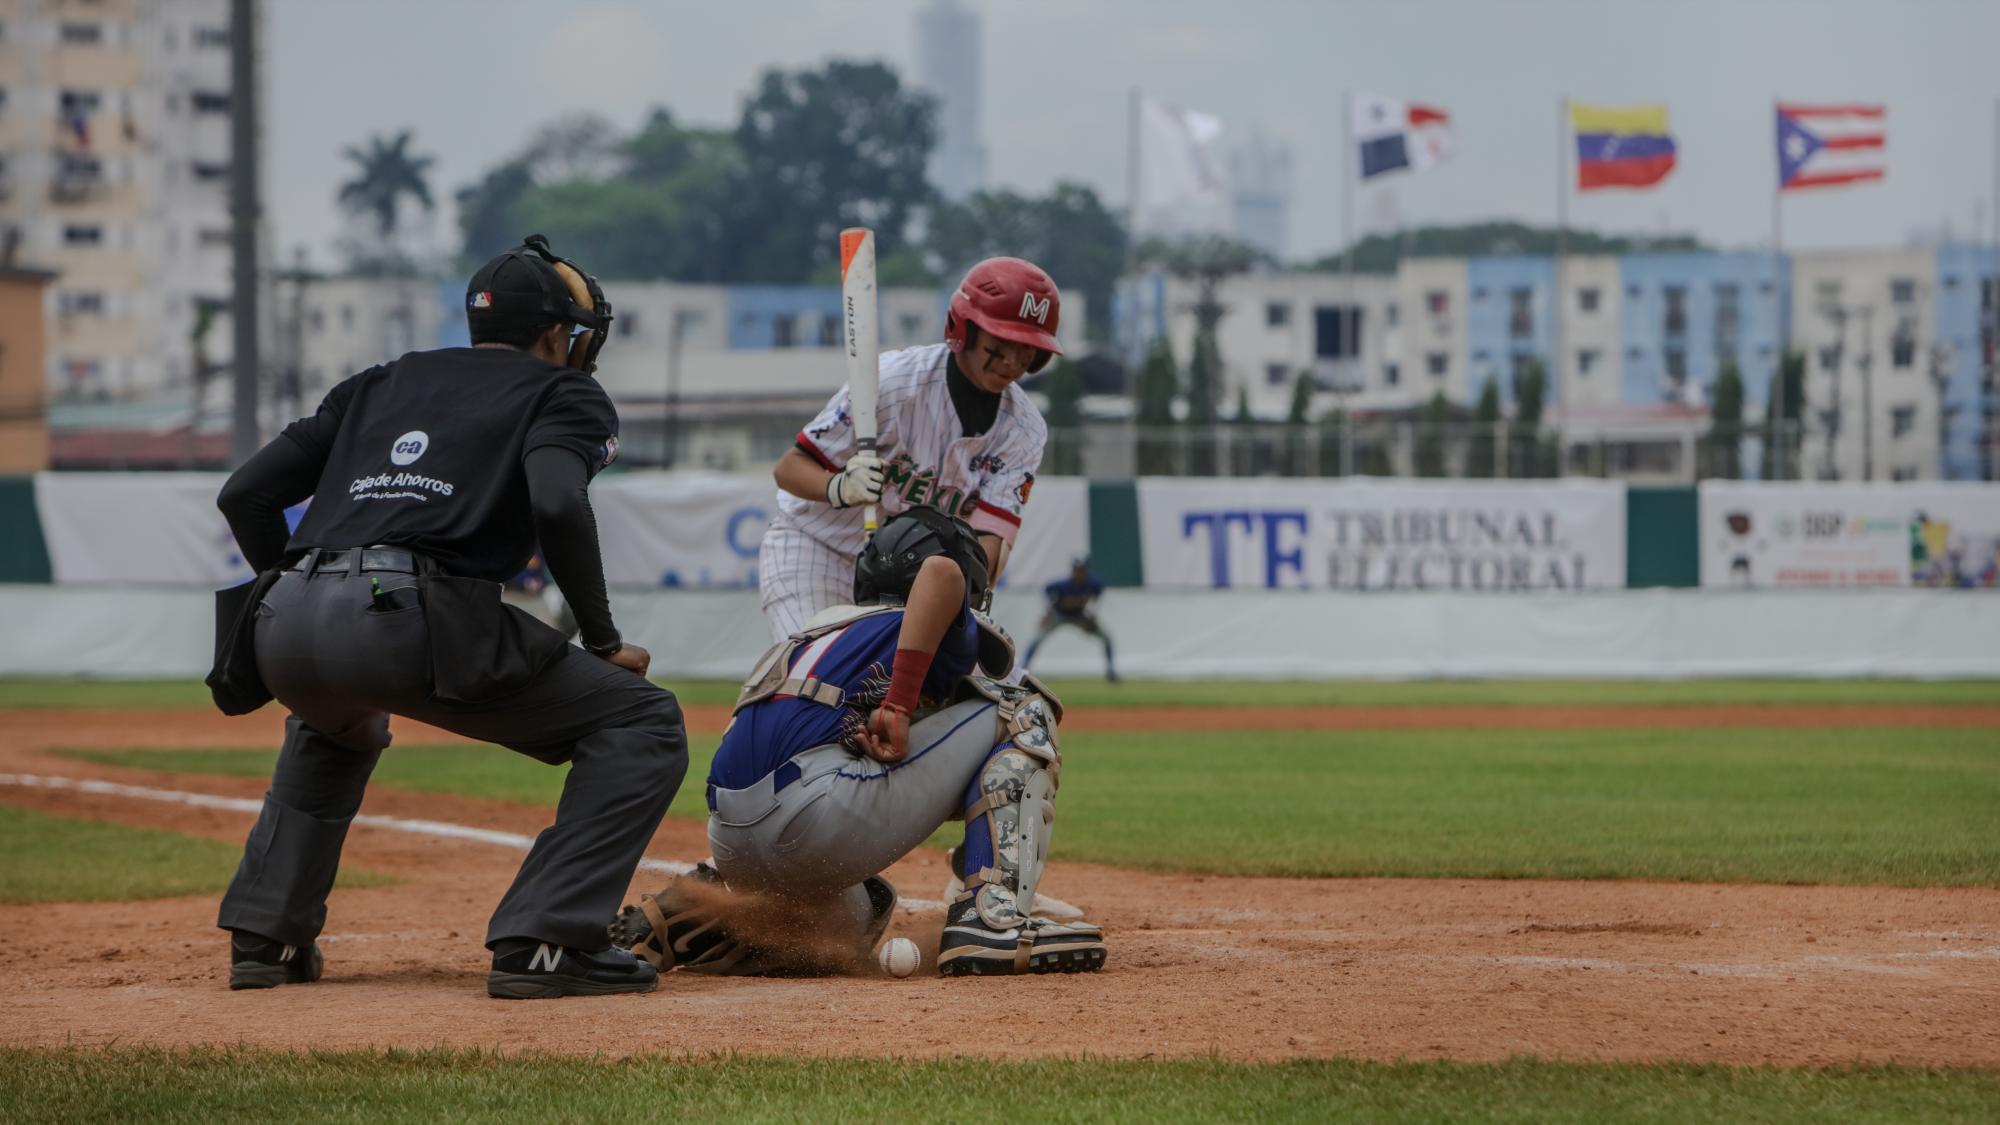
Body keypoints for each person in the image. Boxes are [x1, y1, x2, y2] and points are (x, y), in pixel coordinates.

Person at [207, 234, 688, 1000]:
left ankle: (267, 939)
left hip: (281, 619)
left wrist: (298, 590)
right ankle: (548, 938)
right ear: (558, 336)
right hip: (405, 614)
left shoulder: (380, 381)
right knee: (646, 721)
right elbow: (558, 500)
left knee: (335, 722)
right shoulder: (562, 391)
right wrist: (601, 638)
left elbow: (245, 495)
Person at [613, 506, 1105, 977]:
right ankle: (993, 918)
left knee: (860, 914)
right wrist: (900, 705)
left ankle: (700, 916)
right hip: (812, 817)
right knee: (1024, 711)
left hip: (733, 848)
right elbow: (940, 574)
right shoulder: (918, 620)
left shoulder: (817, 632)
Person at [757, 257, 1061, 644]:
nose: (1012, 361)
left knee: (985, 697)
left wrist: (962, 600)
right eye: (1001, 342)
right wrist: (839, 487)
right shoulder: (892, 383)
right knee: (821, 674)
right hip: (821, 549)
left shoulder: (1024, 429)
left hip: (910, 579)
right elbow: (789, 468)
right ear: (964, 328)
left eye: (1027, 349)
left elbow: (989, 543)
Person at [1023, 556, 1117, 682]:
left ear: (1086, 571)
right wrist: (1047, 613)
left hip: (1080, 615)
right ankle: (1023, 669)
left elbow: (1098, 596)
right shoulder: (1061, 585)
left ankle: (1111, 671)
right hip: (1059, 615)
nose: (1079, 573)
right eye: (1076, 570)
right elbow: (1046, 592)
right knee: (1037, 639)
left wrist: (1093, 613)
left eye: (1081, 570)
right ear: (1072, 570)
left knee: (1106, 637)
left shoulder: (1094, 584)